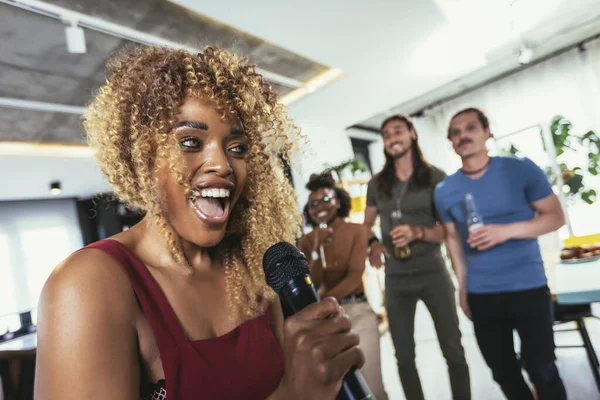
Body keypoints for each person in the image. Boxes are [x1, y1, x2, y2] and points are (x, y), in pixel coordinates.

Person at [34, 46, 365, 400]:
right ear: (143, 156)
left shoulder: (253, 270)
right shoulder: (88, 285)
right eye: (191, 142)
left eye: (237, 148)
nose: (222, 164)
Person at [434, 107, 567, 400]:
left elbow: (555, 217)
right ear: (451, 142)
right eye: (455, 133)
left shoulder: (520, 169)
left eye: (470, 128)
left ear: (487, 131)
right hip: (483, 295)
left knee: (542, 369)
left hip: (528, 287)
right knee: (503, 372)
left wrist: (504, 231)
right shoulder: (445, 190)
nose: (463, 136)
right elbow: (453, 241)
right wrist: (463, 287)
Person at [365, 114, 471, 400]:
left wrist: (417, 232)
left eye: (398, 131)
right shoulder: (376, 185)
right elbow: (366, 226)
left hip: (433, 272)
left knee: (453, 349)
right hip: (396, 279)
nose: (392, 138)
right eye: (386, 134)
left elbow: (448, 232)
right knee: (404, 357)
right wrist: (373, 243)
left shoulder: (436, 177)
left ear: (412, 134)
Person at [298, 172, 389, 400]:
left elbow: (353, 276)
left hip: (357, 312)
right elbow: (313, 282)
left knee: (373, 387)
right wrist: (318, 246)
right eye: (314, 203)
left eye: (326, 200)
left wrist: (322, 301)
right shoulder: (306, 242)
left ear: (338, 202)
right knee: (341, 390)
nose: (320, 206)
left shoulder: (358, 231)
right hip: (325, 321)